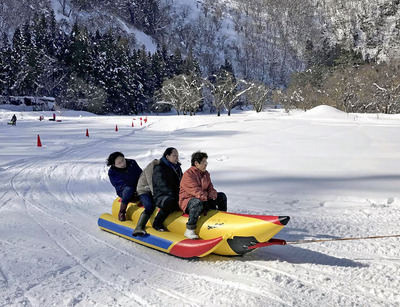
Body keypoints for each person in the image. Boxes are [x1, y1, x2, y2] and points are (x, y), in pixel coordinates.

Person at [179, 151, 227, 239]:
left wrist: (212, 196)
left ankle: (222, 219)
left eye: (206, 162)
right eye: (204, 163)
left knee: (221, 196)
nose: (206, 165)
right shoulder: (188, 175)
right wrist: (205, 199)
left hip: (203, 198)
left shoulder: (206, 174)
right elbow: (195, 191)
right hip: (188, 200)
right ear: (196, 163)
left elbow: (210, 187)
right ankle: (189, 229)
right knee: (197, 203)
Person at [152, 147, 183, 231]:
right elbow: (163, 186)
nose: (176, 157)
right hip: (161, 195)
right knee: (171, 201)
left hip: (175, 193)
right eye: (174, 155)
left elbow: (182, 181)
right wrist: (177, 194)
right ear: (167, 157)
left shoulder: (177, 167)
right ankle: (157, 222)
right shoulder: (159, 168)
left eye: (177, 155)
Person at [107, 152, 142, 222]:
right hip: (124, 190)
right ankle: (122, 212)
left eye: (123, 160)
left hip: (138, 186)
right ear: (114, 165)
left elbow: (140, 173)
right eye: (119, 163)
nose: (123, 164)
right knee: (129, 189)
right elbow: (119, 184)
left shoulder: (132, 163)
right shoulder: (112, 172)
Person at [133, 159, 159, 236]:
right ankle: (139, 227)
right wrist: (158, 196)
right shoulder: (150, 168)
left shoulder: (164, 167)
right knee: (149, 207)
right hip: (144, 190)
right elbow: (151, 184)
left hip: (152, 191)